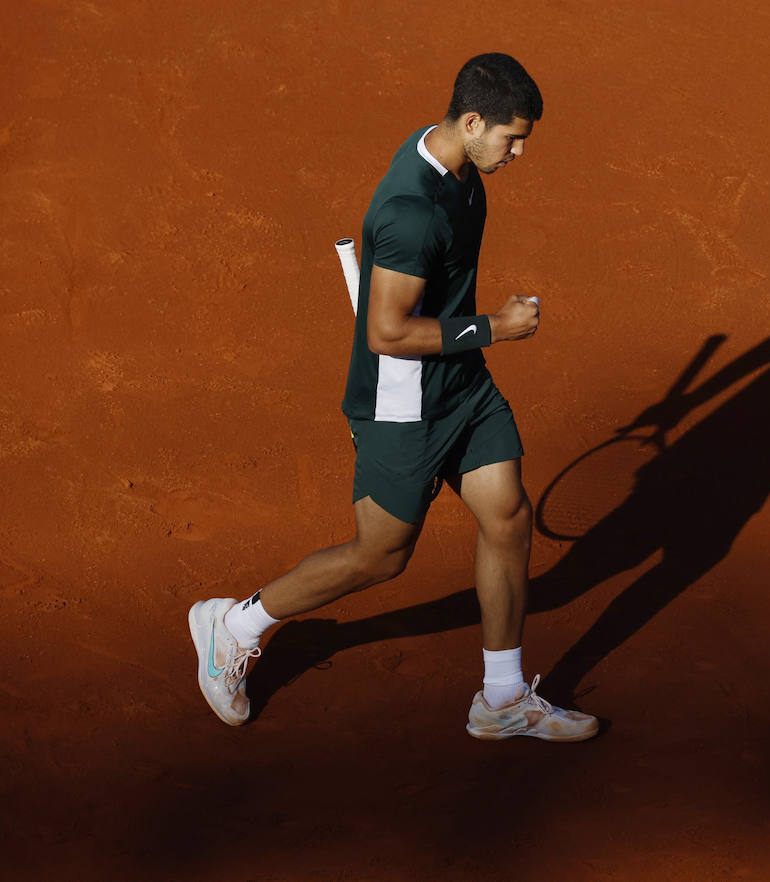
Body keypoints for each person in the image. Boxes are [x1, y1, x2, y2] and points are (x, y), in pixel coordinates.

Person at [188, 53, 598, 742]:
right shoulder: (412, 213)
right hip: (403, 404)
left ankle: (501, 698)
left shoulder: (457, 166)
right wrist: (494, 327)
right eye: (511, 138)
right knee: (381, 555)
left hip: (461, 384)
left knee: (506, 516)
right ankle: (233, 625)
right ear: (472, 121)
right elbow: (384, 331)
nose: (519, 152)